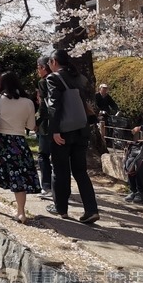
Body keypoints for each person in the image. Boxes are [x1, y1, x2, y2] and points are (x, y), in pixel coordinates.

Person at [45, 49, 100, 224]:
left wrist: (54, 131)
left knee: (60, 170)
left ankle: (61, 209)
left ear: (54, 62)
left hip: (64, 131)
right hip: (82, 130)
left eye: (49, 63)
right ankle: (91, 210)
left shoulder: (53, 78)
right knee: (81, 171)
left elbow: (54, 106)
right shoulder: (79, 78)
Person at [0, 71, 41, 223]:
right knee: (18, 175)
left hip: (0, 141)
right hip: (18, 142)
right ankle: (21, 212)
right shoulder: (28, 102)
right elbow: (31, 126)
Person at [35, 57, 53, 198]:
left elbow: (43, 106)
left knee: (43, 155)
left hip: (46, 125)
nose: (38, 71)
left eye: (38, 67)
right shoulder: (59, 79)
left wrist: (36, 122)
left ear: (43, 67)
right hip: (63, 124)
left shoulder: (44, 82)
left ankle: (46, 186)